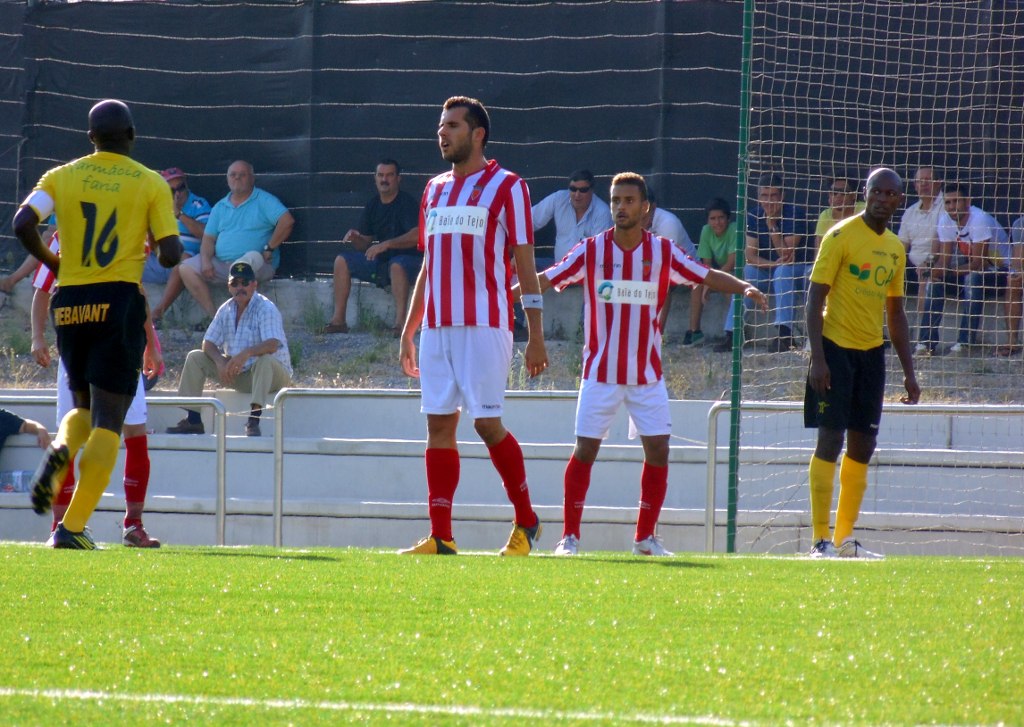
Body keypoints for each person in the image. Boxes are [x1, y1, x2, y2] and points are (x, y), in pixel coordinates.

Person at [527, 172, 766, 557]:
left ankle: (644, 538)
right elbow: (545, 278)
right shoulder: (591, 250)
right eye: (615, 200)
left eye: (628, 201)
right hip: (600, 373)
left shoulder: (663, 252)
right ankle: (568, 537)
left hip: (647, 375)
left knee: (658, 451)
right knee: (585, 451)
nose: (620, 207)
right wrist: (503, 293)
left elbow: (705, 275)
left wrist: (744, 287)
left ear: (645, 208)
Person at [12, 98, 182, 550]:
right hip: (117, 300)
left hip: (69, 305)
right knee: (111, 419)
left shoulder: (61, 176)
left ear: (90, 138)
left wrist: (56, 263)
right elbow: (171, 254)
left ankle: (59, 456)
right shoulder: (149, 181)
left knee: (83, 409)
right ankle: (71, 528)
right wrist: (155, 240)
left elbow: (23, 222)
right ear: (132, 135)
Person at [398, 95, 548, 557]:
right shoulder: (434, 189)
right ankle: (441, 537)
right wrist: (409, 328)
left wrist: (535, 336)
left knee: (486, 423)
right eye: (440, 126)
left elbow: (526, 267)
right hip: (436, 328)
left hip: (485, 324)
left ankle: (527, 520)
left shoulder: (509, 187)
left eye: (452, 126)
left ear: (477, 134)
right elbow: (429, 264)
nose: (442, 133)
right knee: (438, 426)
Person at [804, 167, 919, 560]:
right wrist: (818, 359)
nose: (883, 199)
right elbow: (814, 300)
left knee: (864, 444)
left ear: (899, 200)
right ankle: (820, 540)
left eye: (891, 194)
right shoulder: (839, 236)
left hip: (871, 354)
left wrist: (909, 373)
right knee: (830, 439)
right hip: (834, 349)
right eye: (877, 192)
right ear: (865, 194)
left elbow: (896, 313)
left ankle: (845, 539)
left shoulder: (895, 248)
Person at [30, 235, 163, 547]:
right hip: (118, 335)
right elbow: (138, 288)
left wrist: (39, 336)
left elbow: (42, 284)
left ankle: (62, 525)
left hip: (74, 327)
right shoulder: (129, 225)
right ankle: (124, 525)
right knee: (124, 429)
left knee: (80, 422)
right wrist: (149, 343)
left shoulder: (65, 231)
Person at [166, 258, 292, 437]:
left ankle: (253, 421)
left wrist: (246, 353)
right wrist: (219, 362)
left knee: (264, 361)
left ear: (254, 285)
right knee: (195, 357)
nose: (240, 287)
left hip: (274, 376)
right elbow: (208, 343)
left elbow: (273, 344)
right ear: (229, 287)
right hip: (239, 373)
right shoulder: (226, 309)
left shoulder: (266, 308)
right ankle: (193, 420)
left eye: (245, 282)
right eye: (235, 283)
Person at [159, 160, 294, 320]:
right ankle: (215, 318)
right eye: (233, 175)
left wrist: (270, 248)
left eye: (242, 175)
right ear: (227, 179)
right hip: (222, 264)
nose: (237, 178)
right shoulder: (220, 206)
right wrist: (206, 261)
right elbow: (208, 239)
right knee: (185, 268)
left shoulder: (263, 200)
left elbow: (287, 221)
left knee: (247, 260)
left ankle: (240, 319)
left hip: (258, 264)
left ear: (252, 178)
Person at [324, 159, 421, 334]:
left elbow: (418, 235)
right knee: (342, 260)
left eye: (389, 175)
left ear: (398, 178)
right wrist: (355, 238)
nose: (384, 179)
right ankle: (338, 321)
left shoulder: (407, 203)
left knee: (397, 265)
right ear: (375, 178)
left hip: (411, 262)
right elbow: (365, 245)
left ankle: (401, 324)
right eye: (380, 175)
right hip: (383, 263)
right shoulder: (373, 205)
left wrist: (387, 244)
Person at [918, 182, 1009, 355]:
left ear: (967, 201)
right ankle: (925, 344)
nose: (952, 207)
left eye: (956, 201)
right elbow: (945, 260)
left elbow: (978, 264)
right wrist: (933, 271)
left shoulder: (979, 219)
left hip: (1002, 271)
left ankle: (965, 344)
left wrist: (947, 272)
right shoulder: (945, 220)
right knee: (935, 282)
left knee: (972, 278)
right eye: (948, 202)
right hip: (974, 273)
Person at [744, 172, 812, 352]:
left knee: (783, 271)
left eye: (773, 195)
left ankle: (784, 334)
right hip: (773, 268)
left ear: (782, 196)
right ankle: (732, 332)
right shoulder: (754, 215)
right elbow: (750, 256)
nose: (769, 201)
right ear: (758, 197)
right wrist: (774, 265)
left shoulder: (794, 213)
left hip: (801, 270)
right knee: (748, 271)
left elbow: (786, 254)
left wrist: (772, 226)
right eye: (764, 196)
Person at [531, 169, 613, 269]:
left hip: (586, 272)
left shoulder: (602, 213)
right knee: (523, 265)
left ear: (592, 190)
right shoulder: (558, 199)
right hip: (557, 268)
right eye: (573, 189)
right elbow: (529, 221)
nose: (577, 194)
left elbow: (599, 254)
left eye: (583, 190)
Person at [145, 168, 211, 289]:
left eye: (181, 187)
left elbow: (206, 234)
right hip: (159, 258)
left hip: (184, 259)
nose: (178, 194)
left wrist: (179, 214)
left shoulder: (198, 204)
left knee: (184, 258)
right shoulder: (157, 204)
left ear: (186, 185)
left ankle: (163, 302)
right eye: (171, 190)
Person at [643, 188, 698, 332]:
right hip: (655, 265)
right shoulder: (633, 221)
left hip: (684, 266)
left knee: (661, 284)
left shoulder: (668, 223)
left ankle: (657, 335)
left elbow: (664, 263)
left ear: (653, 206)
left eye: (644, 208)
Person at [693, 198, 738, 351]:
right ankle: (694, 332)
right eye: (713, 218)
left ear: (728, 218)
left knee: (729, 286)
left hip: (738, 272)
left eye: (721, 218)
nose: (717, 222)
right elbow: (707, 264)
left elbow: (731, 263)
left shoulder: (734, 229)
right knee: (696, 282)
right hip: (720, 273)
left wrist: (712, 281)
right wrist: (708, 282)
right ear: (708, 220)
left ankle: (735, 332)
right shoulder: (706, 230)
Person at [897, 166, 943, 317]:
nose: (923, 184)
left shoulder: (947, 206)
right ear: (915, 185)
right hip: (915, 266)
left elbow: (942, 243)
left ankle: (922, 329)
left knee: (926, 275)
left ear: (938, 183)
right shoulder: (909, 212)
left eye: (928, 180)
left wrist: (927, 264)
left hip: (942, 260)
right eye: (919, 181)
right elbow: (901, 246)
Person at [813, 175, 865, 250]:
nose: (838, 197)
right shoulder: (825, 216)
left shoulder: (865, 210)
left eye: (843, 193)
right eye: (834, 193)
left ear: (854, 195)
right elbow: (819, 250)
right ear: (829, 195)